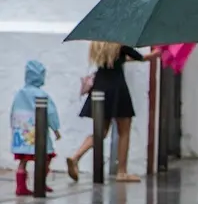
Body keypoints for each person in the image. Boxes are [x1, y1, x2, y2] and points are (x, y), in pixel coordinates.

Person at [67, 41, 157, 182]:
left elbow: (117, 60)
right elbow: (139, 57)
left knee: (100, 132)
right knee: (124, 130)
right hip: (117, 88)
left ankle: (76, 156)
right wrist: (156, 54)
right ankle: (122, 171)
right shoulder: (120, 44)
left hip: (100, 87)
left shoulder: (97, 44)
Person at [9, 60, 61, 196]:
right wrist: (55, 129)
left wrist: (14, 127)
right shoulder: (42, 95)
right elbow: (50, 113)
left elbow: (13, 111)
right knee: (45, 158)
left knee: (23, 160)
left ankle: (20, 186)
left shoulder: (19, 94)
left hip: (23, 131)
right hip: (39, 132)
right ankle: (41, 183)